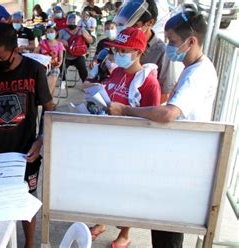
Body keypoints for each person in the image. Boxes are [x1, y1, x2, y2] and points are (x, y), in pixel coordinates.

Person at [108, 8, 214, 247]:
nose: (168, 46)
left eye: (172, 41)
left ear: (191, 41)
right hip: (176, 158)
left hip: (183, 164)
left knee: (168, 229)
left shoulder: (198, 75)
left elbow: (168, 114)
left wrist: (126, 110)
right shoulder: (193, 67)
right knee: (163, 227)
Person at [0, 23, 54, 248]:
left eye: (0, 58)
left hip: (25, 154)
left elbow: (49, 108)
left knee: (27, 203)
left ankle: (29, 245)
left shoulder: (34, 70)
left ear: (15, 50)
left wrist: (41, 139)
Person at [91, 27, 160, 248]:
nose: (117, 53)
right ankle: (102, 220)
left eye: (123, 50)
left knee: (126, 190)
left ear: (138, 52)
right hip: (108, 141)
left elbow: (153, 116)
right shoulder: (118, 72)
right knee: (104, 183)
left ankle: (125, 233)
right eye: (116, 49)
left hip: (132, 148)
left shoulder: (149, 83)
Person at [114, 0, 178, 102]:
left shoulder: (161, 51)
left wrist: (132, 108)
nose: (129, 30)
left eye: (134, 26)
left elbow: (165, 94)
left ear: (150, 22)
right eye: (127, 25)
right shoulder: (121, 41)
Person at [58, 13, 94, 83]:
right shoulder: (62, 32)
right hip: (66, 56)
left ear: (77, 22)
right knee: (61, 66)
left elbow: (91, 41)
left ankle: (85, 83)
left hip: (78, 55)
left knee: (82, 66)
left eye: (73, 22)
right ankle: (63, 81)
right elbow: (55, 41)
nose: (71, 23)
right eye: (70, 22)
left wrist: (86, 36)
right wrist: (61, 41)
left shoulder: (82, 30)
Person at [34, 23, 65, 95]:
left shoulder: (59, 44)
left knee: (53, 76)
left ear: (56, 33)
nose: (49, 33)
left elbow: (61, 59)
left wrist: (59, 63)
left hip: (54, 66)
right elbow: (35, 53)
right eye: (48, 32)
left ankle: (48, 99)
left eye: (51, 32)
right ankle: (49, 100)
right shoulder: (42, 42)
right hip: (43, 66)